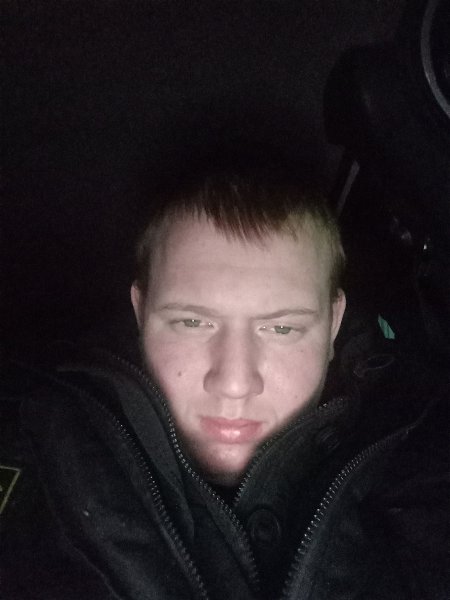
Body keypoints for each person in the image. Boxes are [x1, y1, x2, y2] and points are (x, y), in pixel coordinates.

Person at [1, 173, 449, 600]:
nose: (234, 384)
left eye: (282, 329)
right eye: (192, 322)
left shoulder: (421, 462)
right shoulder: (32, 441)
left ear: (333, 324)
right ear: (141, 313)